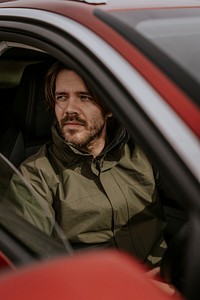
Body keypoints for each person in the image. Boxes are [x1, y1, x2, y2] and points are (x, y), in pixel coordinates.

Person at [7, 61, 167, 269]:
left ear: (110, 109)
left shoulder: (143, 153)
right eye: (61, 97)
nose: (70, 109)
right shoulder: (36, 175)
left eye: (85, 97)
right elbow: (31, 267)